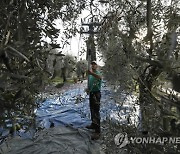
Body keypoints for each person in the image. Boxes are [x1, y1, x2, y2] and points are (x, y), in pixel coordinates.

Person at [86, 61, 102, 140]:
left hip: (96, 94)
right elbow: (90, 84)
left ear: (97, 66)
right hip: (91, 93)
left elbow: (99, 77)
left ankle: (97, 131)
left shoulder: (98, 73)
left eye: (94, 64)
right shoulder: (90, 75)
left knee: (96, 111)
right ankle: (93, 124)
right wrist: (88, 89)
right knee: (92, 110)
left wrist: (91, 73)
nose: (93, 65)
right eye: (92, 64)